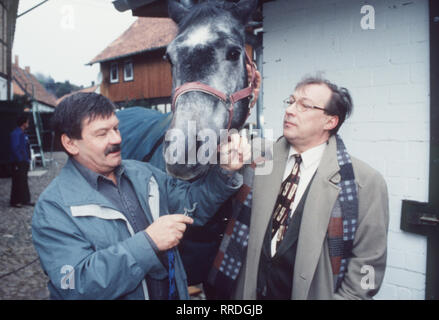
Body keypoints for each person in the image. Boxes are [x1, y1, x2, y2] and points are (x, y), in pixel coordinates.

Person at [31, 92, 250, 300]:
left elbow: (192, 205)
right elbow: (74, 286)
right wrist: (149, 244)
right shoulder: (54, 208)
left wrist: (225, 171)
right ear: (70, 143)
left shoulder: (143, 174)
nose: (116, 139)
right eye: (102, 133)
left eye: (116, 128)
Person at [227, 76, 389, 299]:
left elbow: (368, 263)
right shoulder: (257, 161)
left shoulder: (365, 182)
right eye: (291, 102)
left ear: (330, 122)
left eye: (304, 105)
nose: (290, 110)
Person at [10, 115, 33, 208]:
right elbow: (15, 148)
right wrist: (20, 160)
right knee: (17, 181)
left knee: (24, 181)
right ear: (23, 123)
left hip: (24, 160)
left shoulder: (24, 133)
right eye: (27, 122)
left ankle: (25, 200)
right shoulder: (16, 133)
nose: (28, 124)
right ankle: (15, 201)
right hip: (18, 161)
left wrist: (28, 158)